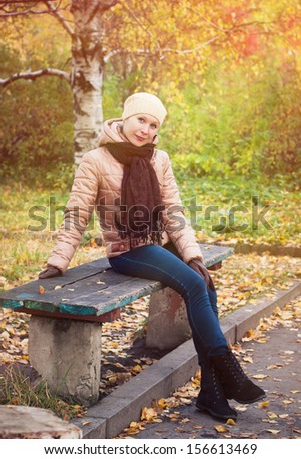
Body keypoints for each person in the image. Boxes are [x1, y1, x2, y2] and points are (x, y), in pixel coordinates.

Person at [39, 92, 265, 421]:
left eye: (153, 124)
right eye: (141, 120)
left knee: (202, 280)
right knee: (192, 283)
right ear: (125, 118)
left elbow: (173, 213)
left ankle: (211, 391)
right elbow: (76, 214)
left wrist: (193, 255)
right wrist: (58, 261)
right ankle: (226, 367)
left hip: (158, 244)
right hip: (127, 250)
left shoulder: (159, 159)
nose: (145, 129)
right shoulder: (96, 160)